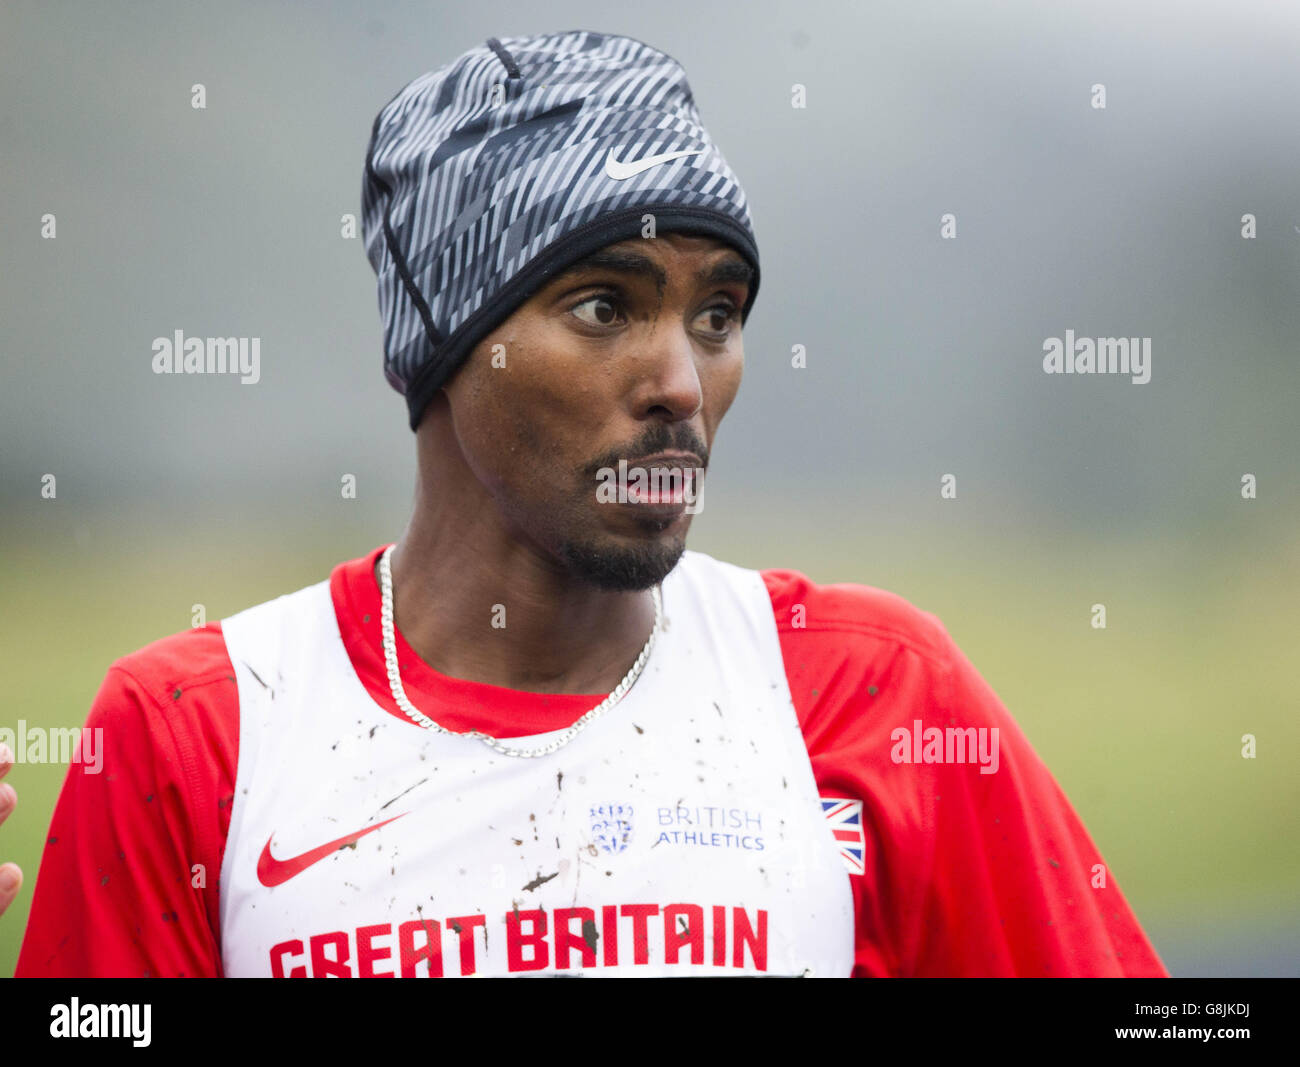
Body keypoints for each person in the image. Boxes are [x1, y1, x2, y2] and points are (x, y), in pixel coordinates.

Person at [13, 30, 1166, 978]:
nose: (680, 381)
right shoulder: (193, 735)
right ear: (444, 348)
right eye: (606, 306)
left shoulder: (874, 688)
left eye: (716, 313)